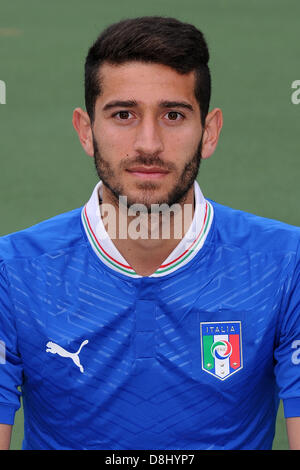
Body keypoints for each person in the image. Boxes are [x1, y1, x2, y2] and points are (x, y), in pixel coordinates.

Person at [0, 16, 300, 451]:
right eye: (123, 114)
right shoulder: (12, 273)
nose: (148, 143)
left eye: (173, 115)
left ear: (209, 132)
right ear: (86, 131)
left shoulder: (286, 264)